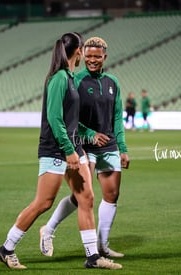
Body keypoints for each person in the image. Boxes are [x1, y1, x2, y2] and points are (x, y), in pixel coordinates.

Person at [0, 33, 122, 270]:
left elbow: (70, 120)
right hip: (56, 149)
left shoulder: (70, 77)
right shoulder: (59, 79)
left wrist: (76, 148)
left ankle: (93, 257)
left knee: (87, 198)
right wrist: (68, 150)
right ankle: (7, 248)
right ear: (78, 51)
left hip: (73, 147)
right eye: (83, 48)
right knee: (43, 202)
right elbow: (55, 119)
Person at [40, 36, 130, 259]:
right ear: (82, 54)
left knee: (112, 194)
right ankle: (49, 229)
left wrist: (122, 146)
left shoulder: (113, 83)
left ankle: (102, 246)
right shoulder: (75, 80)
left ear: (104, 57)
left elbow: (117, 117)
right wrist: (89, 134)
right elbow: (70, 119)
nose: (92, 60)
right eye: (88, 56)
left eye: (96, 57)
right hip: (84, 145)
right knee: (82, 195)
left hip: (108, 145)